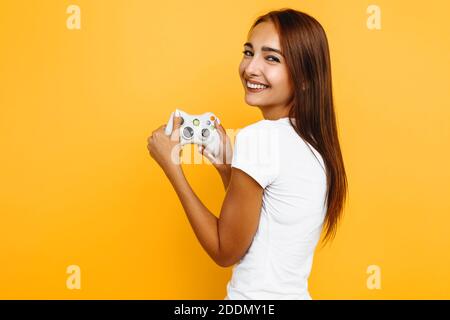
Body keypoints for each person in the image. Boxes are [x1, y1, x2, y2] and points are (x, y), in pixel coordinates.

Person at [147, 8, 348, 300]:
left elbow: (225, 250)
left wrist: (171, 165)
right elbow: (261, 225)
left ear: (305, 78)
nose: (250, 68)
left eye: (271, 58)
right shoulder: (316, 143)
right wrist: (227, 165)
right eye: (248, 52)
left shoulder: (259, 138)